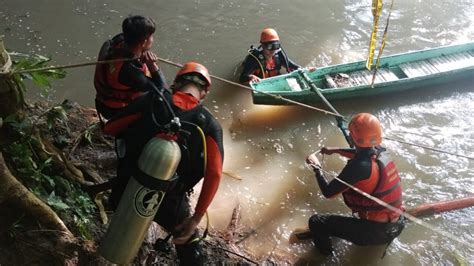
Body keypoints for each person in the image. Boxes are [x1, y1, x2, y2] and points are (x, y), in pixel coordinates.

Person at [105, 62, 224, 265]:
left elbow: (110, 128)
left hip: (126, 188)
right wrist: (195, 218)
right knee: (190, 245)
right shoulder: (209, 125)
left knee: (119, 228)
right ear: (204, 93)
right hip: (169, 203)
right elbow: (215, 174)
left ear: (176, 83)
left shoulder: (151, 101)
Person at [305, 113, 404, 256]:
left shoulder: (358, 167)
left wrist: (317, 168)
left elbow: (328, 192)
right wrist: (335, 150)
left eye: (350, 133)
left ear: (352, 137)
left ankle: (325, 256)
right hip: (396, 223)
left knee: (316, 221)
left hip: (376, 232)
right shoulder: (381, 152)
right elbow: (362, 153)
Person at [94, 15, 167, 120]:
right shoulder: (130, 71)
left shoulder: (118, 40)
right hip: (115, 110)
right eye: (151, 36)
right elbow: (163, 90)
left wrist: (139, 53)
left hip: (102, 100)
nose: (152, 39)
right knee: (160, 107)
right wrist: (152, 65)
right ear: (143, 42)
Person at [239, 28, 314, 84]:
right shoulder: (253, 59)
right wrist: (250, 77)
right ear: (262, 45)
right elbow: (242, 78)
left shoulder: (279, 55)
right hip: (260, 83)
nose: (273, 50)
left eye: (276, 46)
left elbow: (293, 66)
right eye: (270, 47)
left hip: (274, 80)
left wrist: (305, 70)